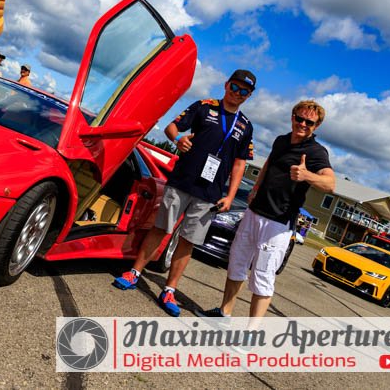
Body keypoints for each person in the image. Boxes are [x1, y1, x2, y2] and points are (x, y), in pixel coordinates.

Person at [112, 70, 257, 317]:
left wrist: (231, 196)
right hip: (182, 182)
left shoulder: (245, 126)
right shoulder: (204, 106)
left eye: (244, 91)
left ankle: (169, 290)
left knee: (188, 240)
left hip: (209, 193)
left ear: (249, 95)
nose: (237, 93)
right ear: (226, 85)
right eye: (235, 86)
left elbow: (239, 164)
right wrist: (178, 139)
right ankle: (134, 272)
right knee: (161, 228)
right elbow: (171, 127)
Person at [197, 100, 335, 320]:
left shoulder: (316, 152)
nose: (302, 124)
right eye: (299, 118)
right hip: (254, 213)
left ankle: (251, 332)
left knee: (262, 276)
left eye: (309, 122)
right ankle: (224, 314)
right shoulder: (281, 140)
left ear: (316, 126)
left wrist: (307, 175)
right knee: (236, 264)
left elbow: (330, 183)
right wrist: (255, 188)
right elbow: (269, 164)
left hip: (278, 223)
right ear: (292, 117)